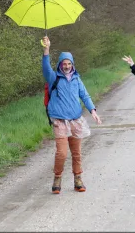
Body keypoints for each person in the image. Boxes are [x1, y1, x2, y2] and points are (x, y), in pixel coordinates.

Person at [42, 36, 102, 194]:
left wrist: (93, 111)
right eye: (64, 63)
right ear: (60, 64)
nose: (67, 66)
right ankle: (57, 177)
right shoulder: (53, 77)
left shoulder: (77, 79)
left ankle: (78, 178)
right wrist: (46, 49)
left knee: (76, 153)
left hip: (75, 120)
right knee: (61, 153)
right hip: (60, 122)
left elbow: (85, 95)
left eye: (69, 63)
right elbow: (45, 67)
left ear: (72, 64)